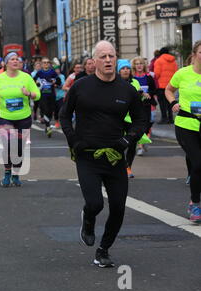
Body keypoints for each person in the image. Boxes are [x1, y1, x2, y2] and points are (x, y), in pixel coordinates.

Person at [59, 40, 147, 268]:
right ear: (94, 61)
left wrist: (128, 139)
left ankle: (103, 250)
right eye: (103, 57)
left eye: (111, 56)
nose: (108, 60)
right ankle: (88, 220)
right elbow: (65, 115)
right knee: (95, 203)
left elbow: (140, 120)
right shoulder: (81, 86)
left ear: (116, 59)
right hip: (87, 155)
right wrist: (73, 139)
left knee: (118, 207)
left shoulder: (127, 90)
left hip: (115, 157)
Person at [0, 52, 41, 187]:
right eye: (12, 59)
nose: (15, 61)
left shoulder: (26, 77)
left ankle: (16, 173)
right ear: (6, 63)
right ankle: (7, 173)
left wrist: (29, 93)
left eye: (17, 59)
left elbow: (38, 95)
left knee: (19, 147)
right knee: (7, 144)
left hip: (23, 117)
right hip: (4, 117)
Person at [165, 40, 201, 222]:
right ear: (194, 54)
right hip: (186, 125)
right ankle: (195, 204)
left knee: (197, 166)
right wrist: (173, 102)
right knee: (199, 165)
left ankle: (192, 171)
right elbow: (169, 89)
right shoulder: (183, 73)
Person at [117, 59, 143, 178]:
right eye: (123, 68)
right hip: (119, 118)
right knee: (119, 143)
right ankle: (119, 166)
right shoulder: (115, 83)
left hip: (132, 119)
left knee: (132, 143)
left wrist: (143, 95)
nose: (126, 70)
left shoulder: (135, 82)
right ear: (119, 71)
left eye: (127, 68)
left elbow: (138, 101)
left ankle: (128, 167)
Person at [132, 56, 157, 156]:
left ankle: (145, 139)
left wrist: (149, 94)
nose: (139, 66)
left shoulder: (148, 78)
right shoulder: (132, 78)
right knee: (139, 126)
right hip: (136, 106)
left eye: (141, 63)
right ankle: (140, 146)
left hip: (148, 105)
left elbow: (154, 89)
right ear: (134, 66)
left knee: (147, 125)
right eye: (137, 64)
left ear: (144, 65)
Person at [33, 57, 61, 138]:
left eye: (47, 62)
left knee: (50, 111)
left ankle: (47, 124)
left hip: (51, 95)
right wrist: (37, 84)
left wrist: (54, 81)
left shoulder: (52, 72)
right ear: (41, 64)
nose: (46, 64)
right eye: (44, 62)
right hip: (43, 95)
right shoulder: (39, 72)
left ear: (49, 64)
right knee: (45, 110)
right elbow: (33, 80)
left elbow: (59, 82)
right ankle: (48, 126)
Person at [154, 47, 178, 124]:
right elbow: (176, 73)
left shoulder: (158, 61)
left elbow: (156, 74)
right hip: (171, 86)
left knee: (162, 103)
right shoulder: (174, 61)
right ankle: (171, 119)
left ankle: (164, 118)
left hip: (161, 85)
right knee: (170, 102)